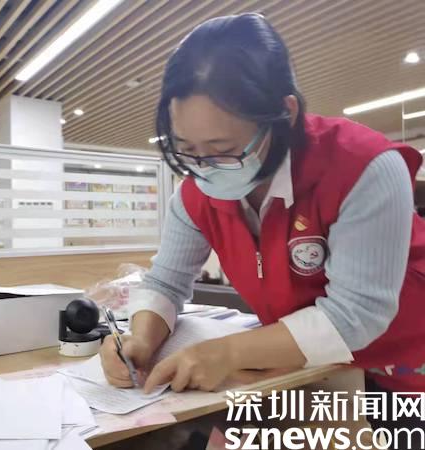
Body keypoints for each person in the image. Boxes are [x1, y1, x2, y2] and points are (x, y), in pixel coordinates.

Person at [99, 13, 425, 448]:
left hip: (403, 370)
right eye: (187, 150)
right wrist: (140, 338)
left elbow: (357, 314)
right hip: (310, 369)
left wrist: (228, 352)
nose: (204, 168)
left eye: (224, 150)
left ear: (284, 115)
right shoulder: (196, 193)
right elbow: (165, 282)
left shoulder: (363, 167)